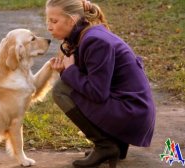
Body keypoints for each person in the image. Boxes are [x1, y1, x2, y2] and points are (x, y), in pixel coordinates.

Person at [45, 0, 156, 168]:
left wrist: (68, 71)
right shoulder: (88, 34)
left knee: (61, 89)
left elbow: (98, 92)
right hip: (130, 110)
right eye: (48, 20)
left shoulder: (95, 41)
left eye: (54, 21)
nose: (49, 27)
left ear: (72, 20)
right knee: (66, 83)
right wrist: (67, 68)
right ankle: (116, 143)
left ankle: (105, 145)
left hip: (133, 114)